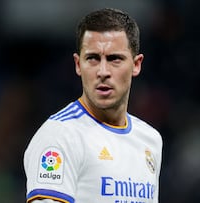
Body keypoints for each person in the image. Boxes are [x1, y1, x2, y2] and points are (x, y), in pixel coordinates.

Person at [23, 8, 163, 203]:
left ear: (136, 64)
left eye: (115, 59)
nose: (103, 71)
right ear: (78, 64)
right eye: (93, 59)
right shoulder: (60, 136)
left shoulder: (151, 140)